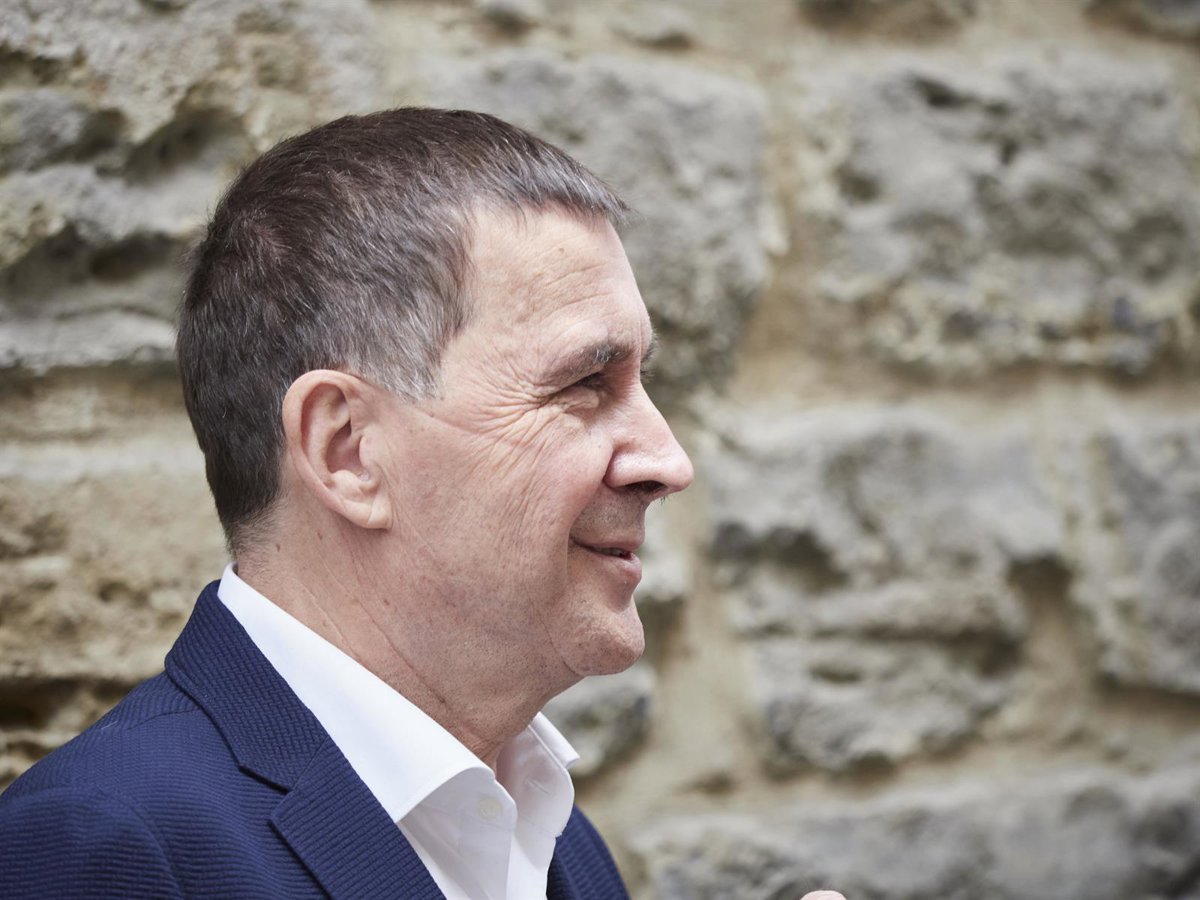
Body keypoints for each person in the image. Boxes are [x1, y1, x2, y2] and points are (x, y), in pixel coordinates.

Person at [0, 108, 845, 900]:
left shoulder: (549, 833)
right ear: (347, 450)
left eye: (639, 381)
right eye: (586, 383)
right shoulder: (105, 848)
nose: (667, 462)